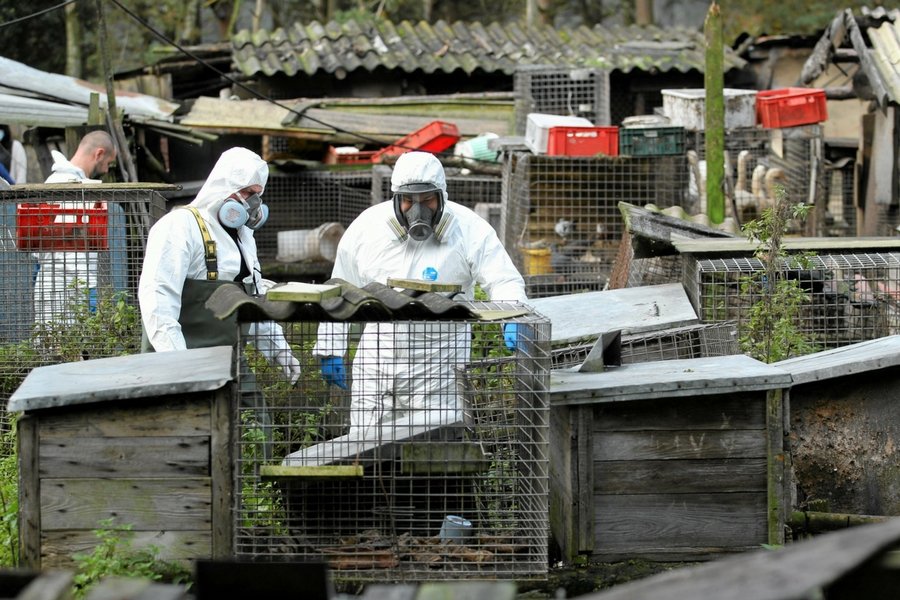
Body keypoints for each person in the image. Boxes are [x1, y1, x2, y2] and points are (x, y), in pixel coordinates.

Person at [313, 151, 528, 438]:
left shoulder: (468, 229)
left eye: (427, 200)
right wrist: (330, 347)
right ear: (395, 198)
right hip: (378, 368)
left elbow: (502, 278)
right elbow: (339, 288)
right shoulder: (367, 229)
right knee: (367, 452)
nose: (418, 210)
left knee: (437, 455)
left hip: (439, 369)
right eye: (408, 201)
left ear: (442, 196)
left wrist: (512, 316)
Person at [138, 147, 301, 453]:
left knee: (257, 429)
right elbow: (158, 300)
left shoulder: (243, 236)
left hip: (229, 359)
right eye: (247, 192)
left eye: (258, 194)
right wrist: (181, 370)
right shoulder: (178, 228)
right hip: (182, 359)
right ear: (225, 188)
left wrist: (278, 350)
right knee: (186, 441)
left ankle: (253, 497)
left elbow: (250, 297)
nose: (254, 203)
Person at [33, 130, 118, 323]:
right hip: (62, 286)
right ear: (98, 154)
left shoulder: (62, 184)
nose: (106, 170)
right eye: (108, 163)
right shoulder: (64, 185)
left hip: (78, 283)